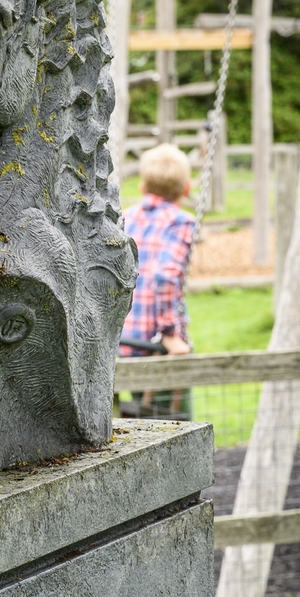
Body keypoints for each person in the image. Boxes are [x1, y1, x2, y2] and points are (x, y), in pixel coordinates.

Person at [119, 143, 195, 419]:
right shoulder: (180, 223)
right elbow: (165, 275)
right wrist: (170, 334)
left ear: (142, 187)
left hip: (125, 339)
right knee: (175, 421)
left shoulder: (125, 217)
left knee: (139, 418)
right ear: (186, 189)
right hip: (157, 346)